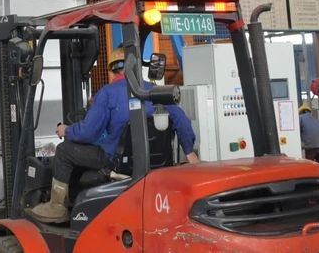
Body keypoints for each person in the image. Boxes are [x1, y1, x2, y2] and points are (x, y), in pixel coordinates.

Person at [31, 48, 199, 224]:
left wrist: (66, 130)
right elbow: (182, 121)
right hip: (156, 162)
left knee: (64, 150)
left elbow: (88, 133)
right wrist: (189, 152)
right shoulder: (157, 92)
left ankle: (57, 207)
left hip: (115, 160)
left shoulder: (107, 93)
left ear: (112, 71)